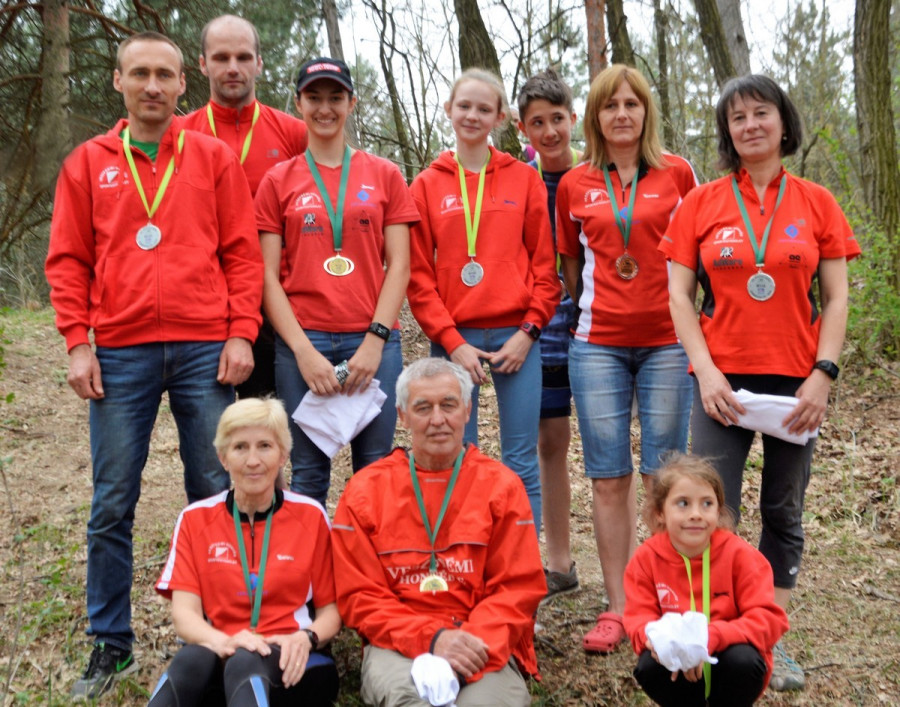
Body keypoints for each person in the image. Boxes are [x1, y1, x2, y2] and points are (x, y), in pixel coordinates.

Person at [44, 32, 262, 700]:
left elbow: (242, 253)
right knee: (113, 499)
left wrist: (241, 332)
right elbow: (68, 260)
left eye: (164, 75)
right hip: (121, 350)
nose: (152, 86)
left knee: (214, 494)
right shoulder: (88, 162)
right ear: (118, 82)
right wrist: (78, 341)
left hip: (204, 346)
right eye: (139, 73)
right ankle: (111, 643)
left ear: (180, 85)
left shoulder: (214, 158)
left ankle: (220, 632)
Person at [662, 74, 860, 691]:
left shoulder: (817, 202)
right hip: (723, 381)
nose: (750, 125)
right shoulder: (701, 202)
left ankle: (767, 637)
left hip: (796, 384)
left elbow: (835, 298)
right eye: (737, 117)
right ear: (727, 131)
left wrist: (824, 375)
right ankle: (707, 632)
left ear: (782, 121)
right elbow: (678, 293)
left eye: (761, 113)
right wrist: (706, 369)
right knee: (704, 507)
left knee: (782, 508)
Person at [555, 64, 696, 652]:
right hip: (597, 344)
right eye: (609, 105)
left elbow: (698, 254)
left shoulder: (680, 174)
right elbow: (570, 266)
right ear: (595, 116)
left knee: (665, 478)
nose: (621, 114)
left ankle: (662, 598)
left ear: (646, 113)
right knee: (608, 477)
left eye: (631, 104)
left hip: (668, 340)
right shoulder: (574, 183)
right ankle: (618, 607)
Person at [331, 358, 546, 706]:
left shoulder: (501, 487)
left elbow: (517, 588)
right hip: (397, 644)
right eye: (422, 408)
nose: (437, 419)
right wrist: (431, 640)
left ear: (466, 409)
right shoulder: (365, 491)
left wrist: (464, 647)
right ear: (402, 415)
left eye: (448, 405)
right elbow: (360, 596)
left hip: (481, 642)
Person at [255, 57, 418, 506]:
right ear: (298, 103)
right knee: (308, 474)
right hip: (301, 345)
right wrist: (303, 353)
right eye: (314, 97)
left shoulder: (383, 174)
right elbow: (266, 274)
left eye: (335, 97)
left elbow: (399, 266)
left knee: (376, 468)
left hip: (374, 344)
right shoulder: (278, 180)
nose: (324, 108)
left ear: (352, 102)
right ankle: (310, 577)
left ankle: (367, 574)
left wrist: (375, 340)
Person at [407, 68, 559, 530]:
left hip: (517, 338)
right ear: (449, 110)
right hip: (455, 342)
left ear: (499, 118)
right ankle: (460, 560)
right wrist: (452, 342)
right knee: (454, 455)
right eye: (464, 106)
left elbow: (545, 270)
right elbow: (417, 278)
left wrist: (528, 332)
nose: (472, 115)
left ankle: (521, 572)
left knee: (520, 460)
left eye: (484, 108)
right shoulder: (427, 184)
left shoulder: (523, 180)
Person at [150, 398, 340, 706]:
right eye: (240, 448)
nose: (253, 460)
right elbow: (185, 615)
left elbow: (332, 612)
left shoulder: (310, 516)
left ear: (283, 455)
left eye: (265, 446)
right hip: (222, 648)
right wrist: (225, 642)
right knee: (189, 662)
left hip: (292, 659)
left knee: (246, 661)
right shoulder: (195, 519)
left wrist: (307, 638)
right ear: (223, 457)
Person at [183, 14, 309, 400]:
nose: (233, 68)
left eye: (243, 56)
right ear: (202, 64)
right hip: (208, 303)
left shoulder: (294, 133)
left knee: (274, 424)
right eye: (221, 58)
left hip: (279, 299)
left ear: (260, 63)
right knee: (218, 431)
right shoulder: (181, 135)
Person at [624, 454, 789, 706]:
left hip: (729, 656)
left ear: (719, 510)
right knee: (649, 664)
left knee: (743, 660)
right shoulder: (645, 559)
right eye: (683, 503)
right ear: (660, 512)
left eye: (706, 504)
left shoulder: (742, 556)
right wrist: (663, 642)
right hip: (676, 666)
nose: (696, 514)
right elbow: (638, 619)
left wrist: (708, 638)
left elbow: (769, 620)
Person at [515, 68, 582, 600]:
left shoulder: (598, 178)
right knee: (550, 441)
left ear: (574, 118)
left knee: (613, 455)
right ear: (522, 129)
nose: (550, 131)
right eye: (538, 122)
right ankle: (557, 560)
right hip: (547, 330)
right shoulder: (519, 183)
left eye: (557, 118)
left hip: (604, 329)